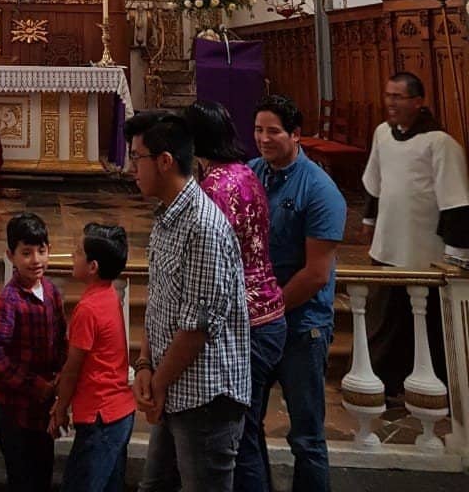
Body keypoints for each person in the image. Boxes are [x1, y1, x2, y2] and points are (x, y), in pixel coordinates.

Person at [127, 110, 250, 492]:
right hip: (172, 383)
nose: (131, 168)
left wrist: (157, 383)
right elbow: (159, 300)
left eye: (137, 157)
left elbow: (196, 327)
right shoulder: (168, 215)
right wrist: (144, 364)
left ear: (164, 161)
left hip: (205, 394)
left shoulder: (202, 226)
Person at [184, 101, 287, 492]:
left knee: (237, 439)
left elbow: (211, 268)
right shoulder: (246, 172)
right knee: (249, 431)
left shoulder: (214, 188)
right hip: (268, 310)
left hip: (246, 323)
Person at [251, 95, 346, 492]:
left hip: (301, 324)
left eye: (273, 131)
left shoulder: (319, 189)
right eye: (258, 130)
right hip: (259, 323)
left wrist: (267, 308)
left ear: (295, 134)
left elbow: (316, 274)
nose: (263, 139)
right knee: (246, 424)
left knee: (306, 437)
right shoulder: (251, 173)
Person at [362, 70, 469, 396]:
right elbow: (375, 182)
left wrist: (456, 256)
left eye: (398, 97)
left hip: (423, 252)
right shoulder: (382, 133)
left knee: (426, 322)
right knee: (384, 319)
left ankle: (436, 384)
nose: (391, 103)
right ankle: (383, 379)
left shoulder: (440, 143)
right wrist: (369, 221)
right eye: (388, 95)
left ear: (419, 101)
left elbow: (455, 202)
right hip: (388, 245)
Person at [0, 212, 67, 492]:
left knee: (43, 472)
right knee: (22, 478)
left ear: (50, 250)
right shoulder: (8, 301)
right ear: (11, 256)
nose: (36, 260)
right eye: (26, 253)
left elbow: (61, 338)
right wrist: (34, 385)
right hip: (16, 409)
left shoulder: (52, 292)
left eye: (41, 251)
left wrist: (61, 376)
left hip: (44, 406)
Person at [49, 224, 135, 492]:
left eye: (77, 252)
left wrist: (60, 409)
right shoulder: (109, 294)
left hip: (101, 415)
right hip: (120, 411)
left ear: (93, 266)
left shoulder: (88, 309)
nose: (72, 256)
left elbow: (73, 368)